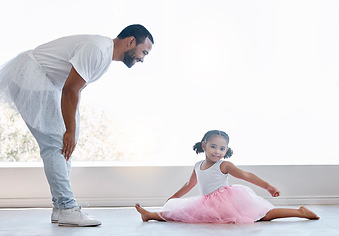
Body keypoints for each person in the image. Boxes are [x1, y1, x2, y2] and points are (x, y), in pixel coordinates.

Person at [0, 24, 154, 227]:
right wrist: (69, 131)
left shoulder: (103, 56)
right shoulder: (98, 50)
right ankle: (66, 208)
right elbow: (70, 90)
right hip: (31, 75)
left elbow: (74, 90)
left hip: (43, 79)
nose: (142, 58)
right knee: (56, 142)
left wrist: (72, 130)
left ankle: (60, 207)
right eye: (143, 52)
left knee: (65, 140)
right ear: (131, 41)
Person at [135, 130, 319, 223]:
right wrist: (175, 196)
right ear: (204, 145)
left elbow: (246, 175)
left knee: (262, 216)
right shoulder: (198, 165)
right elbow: (189, 184)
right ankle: (150, 215)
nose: (217, 151)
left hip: (227, 199)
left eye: (222, 148)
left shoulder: (224, 165)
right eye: (213, 146)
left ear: (226, 150)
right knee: (181, 213)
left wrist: (268, 186)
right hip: (206, 202)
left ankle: (300, 212)